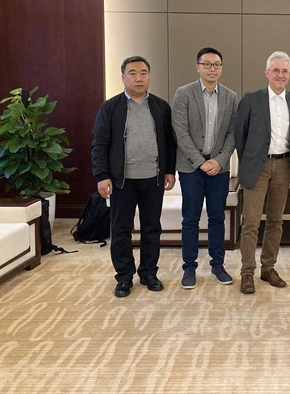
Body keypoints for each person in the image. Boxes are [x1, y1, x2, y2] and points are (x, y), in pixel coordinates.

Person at [92, 56, 176, 298]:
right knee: (120, 230)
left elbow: (170, 143)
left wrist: (169, 170)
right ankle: (124, 277)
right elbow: (99, 144)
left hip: (153, 179)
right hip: (122, 181)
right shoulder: (110, 108)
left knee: (152, 228)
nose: (139, 78)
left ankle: (149, 273)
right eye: (132, 73)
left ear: (149, 76)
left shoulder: (161, 107)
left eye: (143, 73)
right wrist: (102, 175)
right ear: (123, 78)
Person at [235, 51, 290, 294]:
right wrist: (249, 164)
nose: (280, 75)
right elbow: (240, 136)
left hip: (283, 166)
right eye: (276, 70)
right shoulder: (251, 99)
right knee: (251, 223)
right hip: (258, 166)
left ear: (289, 74)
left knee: (276, 220)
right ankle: (247, 272)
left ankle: (268, 268)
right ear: (267, 73)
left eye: (284, 71)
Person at [171, 47, 237, 289]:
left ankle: (218, 265)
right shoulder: (183, 93)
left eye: (216, 64)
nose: (212, 69)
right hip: (191, 167)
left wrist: (219, 160)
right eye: (207, 64)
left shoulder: (230, 96)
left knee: (217, 217)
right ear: (197, 67)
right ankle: (189, 268)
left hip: (219, 167)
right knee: (190, 218)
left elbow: (232, 133)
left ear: (221, 68)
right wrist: (200, 162)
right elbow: (180, 131)